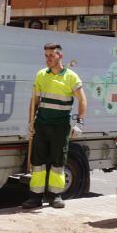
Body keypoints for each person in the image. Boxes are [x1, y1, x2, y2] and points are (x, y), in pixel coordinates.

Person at [23, 43, 86, 209]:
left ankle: (55, 196)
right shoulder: (41, 75)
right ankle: (35, 197)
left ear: (60, 56)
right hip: (41, 125)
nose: (48, 59)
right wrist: (30, 122)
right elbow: (34, 101)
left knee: (58, 161)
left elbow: (83, 100)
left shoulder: (71, 77)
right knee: (37, 162)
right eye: (46, 55)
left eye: (51, 55)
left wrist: (79, 122)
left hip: (60, 126)